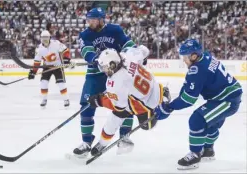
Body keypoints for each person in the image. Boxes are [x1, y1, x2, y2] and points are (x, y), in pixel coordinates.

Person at [154, 39, 243, 170]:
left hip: (227, 99)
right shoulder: (205, 56)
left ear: (194, 56)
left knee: (197, 120)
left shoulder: (198, 70)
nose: (184, 60)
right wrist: (173, 103)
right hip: (225, 95)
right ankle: (208, 150)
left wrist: (169, 107)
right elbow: (188, 85)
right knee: (210, 124)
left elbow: (188, 100)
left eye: (185, 57)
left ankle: (195, 154)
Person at [73, 7, 141, 158]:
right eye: (89, 20)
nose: (90, 23)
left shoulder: (115, 30)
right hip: (95, 75)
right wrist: (95, 60)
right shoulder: (85, 34)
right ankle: (86, 141)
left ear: (102, 19)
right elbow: (87, 51)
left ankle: (124, 136)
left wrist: (134, 55)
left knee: (125, 103)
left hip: (117, 74)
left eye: (93, 20)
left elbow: (127, 44)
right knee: (86, 105)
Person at [87, 46, 170, 156]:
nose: (104, 70)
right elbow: (144, 50)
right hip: (153, 88)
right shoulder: (129, 54)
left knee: (121, 118)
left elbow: (119, 107)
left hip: (145, 104)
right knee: (123, 111)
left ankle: (103, 143)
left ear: (113, 64)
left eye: (105, 67)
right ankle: (162, 94)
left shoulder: (115, 84)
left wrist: (99, 101)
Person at [28, 30, 71, 107]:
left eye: (46, 37)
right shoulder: (39, 49)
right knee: (43, 83)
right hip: (46, 67)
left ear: (50, 38)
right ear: (40, 38)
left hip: (58, 66)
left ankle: (66, 99)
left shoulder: (56, 43)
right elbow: (37, 62)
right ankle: (44, 99)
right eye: (43, 37)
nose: (45, 39)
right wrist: (33, 72)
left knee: (61, 83)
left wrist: (66, 59)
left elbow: (66, 51)